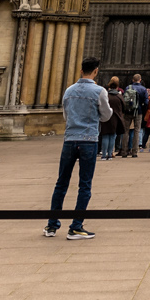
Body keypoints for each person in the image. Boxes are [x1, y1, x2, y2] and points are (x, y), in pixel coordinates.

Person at [45, 57, 110, 239]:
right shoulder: (99, 91)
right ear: (96, 71)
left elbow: (66, 115)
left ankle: (51, 225)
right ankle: (76, 226)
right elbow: (105, 116)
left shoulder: (69, 90)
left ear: (81, 70)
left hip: (70, 139)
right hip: (88, 140)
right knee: (85, 185)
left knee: (61, 183)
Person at [100, 76, 125, 159]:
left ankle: (104, 155)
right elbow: (124, 107)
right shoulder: (119, 96)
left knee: (105, 136)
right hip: (116, 118)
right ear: (117, 87)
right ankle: (110, 154)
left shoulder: (106, 95)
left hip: (106, 117)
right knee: (112, 136)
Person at [127, 74, 150, 155]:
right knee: (137, 130)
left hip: (128, 111)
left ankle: (124, 151)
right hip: (139, 111)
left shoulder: (128, 87)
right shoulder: (143, 89)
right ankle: (134, 151)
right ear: (140, 80)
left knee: (126, 131)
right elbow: (146, 102)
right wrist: (143, 110)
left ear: (133, 80)